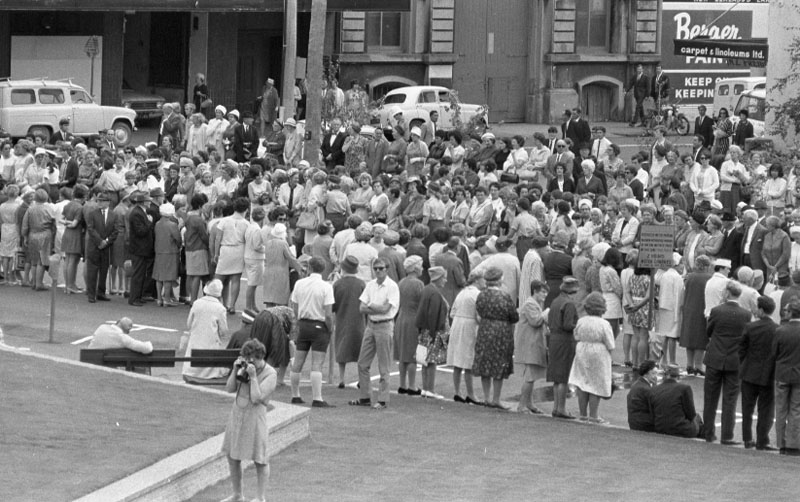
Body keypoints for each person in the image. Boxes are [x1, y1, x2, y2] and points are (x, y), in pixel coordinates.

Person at [221, 339, 277, 502]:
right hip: (238, 413)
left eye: (251, 359)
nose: (249, 362)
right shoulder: (243, 368)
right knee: (232, 456)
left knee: (260, 458)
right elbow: (230, 388)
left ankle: (260, 497)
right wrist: (235, 370)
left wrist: (253, 377)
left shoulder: (270, 373)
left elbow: (256, 398)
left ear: (259, 357)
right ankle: (238, 495)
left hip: (255, 416)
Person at [703, 280, 752, 444]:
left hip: (715, 357)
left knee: (710, 398)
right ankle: (727, 435)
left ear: (727, 293)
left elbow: (709, 331)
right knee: (730, 399)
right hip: (734, 360)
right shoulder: (746, 314)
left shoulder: (717, 311)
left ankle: (708, 433)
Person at [351, 257, 400, 409]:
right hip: (371, 325)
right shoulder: (370, 285)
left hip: (385, 326)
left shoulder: (392, 286)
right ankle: (365, 397)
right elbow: (361, 308)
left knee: (384, 365)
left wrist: (371, 306)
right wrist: (376, 307)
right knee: (362, 363)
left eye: (381, 268)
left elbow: (386, 309)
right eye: (376, 268)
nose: (378, 271)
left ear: (386, 269)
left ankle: (383, 399)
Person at [289, 257, 335, 408]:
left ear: (309, 267)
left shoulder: (299, 284)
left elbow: (294, 306)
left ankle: (295, 395)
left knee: (298, 362)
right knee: (317, 363)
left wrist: (298, 320)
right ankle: (317, 398)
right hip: (319, 325)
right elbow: (328, 314)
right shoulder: (326, 287)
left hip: (303, 324)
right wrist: (330, 328)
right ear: (323, 269)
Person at [473, 267, 519, 410]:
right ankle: (496, 399)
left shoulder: (481, 295)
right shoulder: (504, 296)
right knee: (499, 363)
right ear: (499, 279)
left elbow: (479, 310)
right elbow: (514, 316)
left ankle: (486, 397)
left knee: (485, 362)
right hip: (501, 331)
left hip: (485, 328)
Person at [739, 295, 779, 450]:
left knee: (747, 409)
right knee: (766, 410)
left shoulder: (750, 327)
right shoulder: (776, 329)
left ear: (761, 310)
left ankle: (747, 439)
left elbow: (741, 349)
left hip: (749, 372)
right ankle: (763, 440)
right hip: (768, 374)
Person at [568, 292, 615, 424]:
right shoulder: (604, 324)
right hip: (598, 352)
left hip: (582, 349)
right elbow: (610, 343)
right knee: (596, 383)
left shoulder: (581, 320)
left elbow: (576, 336)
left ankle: (583, 414)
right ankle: (593, 415)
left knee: (583, 382)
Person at [182, 279, 230, 383]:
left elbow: (188, 324)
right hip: (210, 348)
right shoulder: (220, 308)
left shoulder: (196, 303)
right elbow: (224, 331)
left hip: (194, 348)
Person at [515, 280, 549, 414]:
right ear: (535, 291)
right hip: (530, 344)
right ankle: (522, 405)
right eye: (542, 292)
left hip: (533, 342)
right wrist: (546, 313)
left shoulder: (534, 304)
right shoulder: (530, 304)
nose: (545, 295)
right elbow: (535, 321)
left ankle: (529, 403)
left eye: (546, 293)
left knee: (532, 375)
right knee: (529, 376)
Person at [548, 276, 580, 418]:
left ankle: (556, 407)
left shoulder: (555, 301)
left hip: (554, 340)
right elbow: (568, 325)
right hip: (565, 341)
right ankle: (561, 408)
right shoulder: (569, 304)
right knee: (564, 377)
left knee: (556, 377)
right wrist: (579, 325)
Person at [332, 256, 366, 388]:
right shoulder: (361, 284)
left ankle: (341, 379)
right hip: (359, 321)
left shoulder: (338, 284)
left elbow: (333, 306)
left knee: (341, 348)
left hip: (342, 319)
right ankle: (360, 379)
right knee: (360, 350)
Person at [394, 256, 425, 396]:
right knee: (412, 354)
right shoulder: (418, 284)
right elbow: (422, 304)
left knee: (402, 354)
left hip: (401, 318)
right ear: (416, 268)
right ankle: (412, 385)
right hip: (413, 319)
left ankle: (402, 384)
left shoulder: (401, 282)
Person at [214, 197, 250, 314]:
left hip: (225, 249)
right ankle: (232, 305)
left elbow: (217, 239)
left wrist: (215, 253)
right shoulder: (246, 223)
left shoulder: (224, 221)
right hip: (239, 250)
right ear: (246, 209)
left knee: (219, 278)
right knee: (235, 279)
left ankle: (217, 303)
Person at [774, 299, 800, 456]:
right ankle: (794, 443)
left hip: (782, 372)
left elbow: (774, 353)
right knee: (796, 409)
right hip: (799, 374)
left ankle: (781, 443)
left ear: (790, 313)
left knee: (781, 409)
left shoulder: (780, 331)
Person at [651, 364, 704, 438]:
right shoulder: (684, 388)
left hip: (660, 428)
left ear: (664, 376)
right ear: (678, 377)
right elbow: (691, 414)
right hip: (680, 429)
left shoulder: (654, 389)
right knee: (697, 418)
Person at [84, 192, 117, 303]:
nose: (99, 203)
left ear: (107, 202)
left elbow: (115, 230)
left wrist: (106, 241)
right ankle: (91, 294)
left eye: (102, 201)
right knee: (92, 271)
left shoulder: (113, 214)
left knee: (104, 270)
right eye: (98, 200)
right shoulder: (92, 213)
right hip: (94, 246)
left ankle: (101, 292)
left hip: (106, 247)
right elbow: (91, 229)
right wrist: (100, 241)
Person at [20, 188, 56, 291]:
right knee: (42, 260)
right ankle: (39, 283)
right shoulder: (49, 209)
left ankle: (34, 282)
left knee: (33, 260)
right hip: (45, 235)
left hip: (32, 235)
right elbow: (54, 223)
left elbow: (25, 225)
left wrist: (25, 236)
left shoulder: (30, 209)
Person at [153, 203, 181, 306]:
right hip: (170, 252)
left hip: (159, 251)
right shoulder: (172, 225)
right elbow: (178, 239)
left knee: (159, 276)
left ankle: (159, 298)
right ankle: (167, 299)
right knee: (168, 277)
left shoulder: (157, 224)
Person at [88, 317, 153, 354]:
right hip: (105, 364)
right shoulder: (122, 337)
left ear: (117, 322)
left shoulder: (101, 327)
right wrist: (148, 343)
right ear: (128, 330)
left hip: (88, 357)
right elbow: (147, 348)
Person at [627, 360, 657, 432]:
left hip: (634, 422)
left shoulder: (637, 384)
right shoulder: (646, 389)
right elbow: (655, 409)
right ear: (645, 374)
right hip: (644, 424)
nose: (655, 377)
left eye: (656, 374)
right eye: (653, 373)